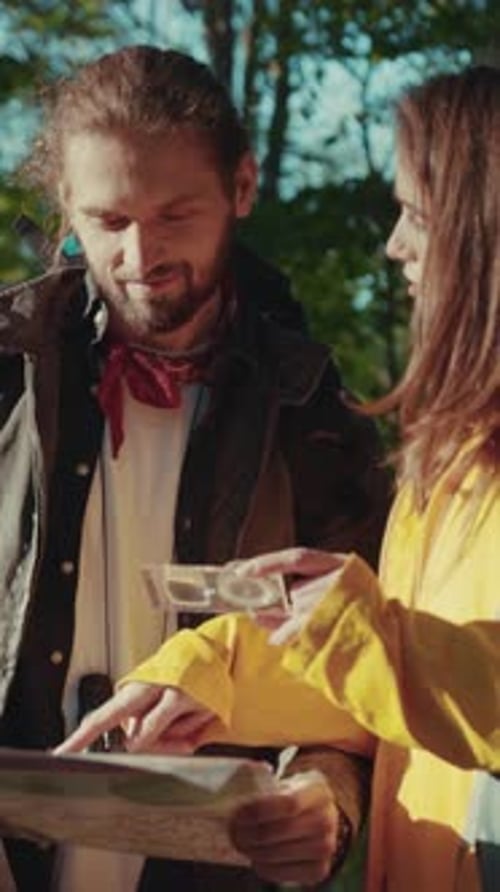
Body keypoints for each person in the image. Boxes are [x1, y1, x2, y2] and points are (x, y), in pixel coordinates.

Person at [60, 66, 500, 892]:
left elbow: (403, 667)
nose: (394, 246)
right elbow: (397, 689)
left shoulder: (317, 408)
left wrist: (326, 777)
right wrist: (205, 675)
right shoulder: (449, 459)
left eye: (415, 215)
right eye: (109, 218)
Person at [0, 44, 390, 892]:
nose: (141, 256)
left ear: (242, 189)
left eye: (175, 215)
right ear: (66, 204)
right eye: (109, 221)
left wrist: (326, 798)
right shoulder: (4, 383)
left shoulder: (325, 422)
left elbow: (364, 686)